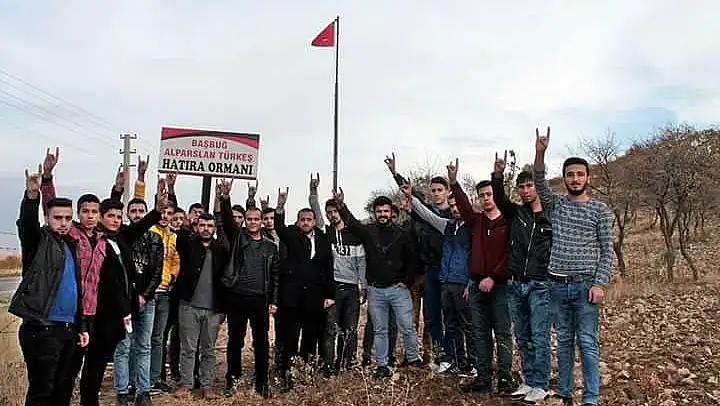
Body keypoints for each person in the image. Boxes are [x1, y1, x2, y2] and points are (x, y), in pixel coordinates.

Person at [534, 127, 613, 406]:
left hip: (585, 287)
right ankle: (564, 393)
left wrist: (599, 283)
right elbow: (539, 182)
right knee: (564, 342)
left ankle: (591, 398)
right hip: (557, 285)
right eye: (570, 174)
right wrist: (540, 153)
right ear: (565, 178)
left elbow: (607, 251)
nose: (575, 179)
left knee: (588, 342)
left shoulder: (600, 210)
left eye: (580, 174)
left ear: (588, 178)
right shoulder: (556, 205)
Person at [11, 163, 90, 406]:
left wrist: (82, 326)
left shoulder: (71, 246)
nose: (63, 223)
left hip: (68, 330)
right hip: (42, 329)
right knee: (42, 392)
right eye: (57, 218)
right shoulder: (38, 241)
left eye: (67, 218)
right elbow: (27, 225)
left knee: (63, 390)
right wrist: (32, 196)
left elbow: (77, 289)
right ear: (47, 218)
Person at [334, 188, 422, 379]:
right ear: (374, 213)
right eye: (379, 211)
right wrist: (341, 205)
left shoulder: (402, 234)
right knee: (380, 330)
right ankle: (382, 365)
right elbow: (352, 224)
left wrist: (406, 282)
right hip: (376, 290)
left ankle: (414, 358)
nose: (382, 214)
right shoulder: (368, 232)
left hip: (398, 290)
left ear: (391, 212)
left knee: (407, 326)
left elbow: (412, 259)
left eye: (385, 211)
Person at [447, 159, 514, 395]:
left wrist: (493, 277)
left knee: (502, 333)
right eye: (482, 195)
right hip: (476, 285)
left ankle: (505, 379)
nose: (485, 198)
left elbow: (510, 255)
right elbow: (464, 206)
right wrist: (454, 182)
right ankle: (483, 378)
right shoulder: (476, 221)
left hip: (500, 286)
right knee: (480, 332)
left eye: (489, 194)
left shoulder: (508, 221)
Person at [491, 151, 553, 404]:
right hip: (516, 284)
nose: (526, 191)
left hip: (540, 285)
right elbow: (499, 198)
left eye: (530, 186)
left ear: (537, 187)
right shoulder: (517, 213)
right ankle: (529, 381)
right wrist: (498, 175)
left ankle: (541, 384)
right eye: (522, 187)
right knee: (523, 336)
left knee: (539, 336)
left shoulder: (552, 214)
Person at [399, 183, 476, 377]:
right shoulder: (447, 225)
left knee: (465, 323)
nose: (455, 209)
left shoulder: (473, 226)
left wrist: (471, 281)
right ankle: (446, 357)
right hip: (441, 276)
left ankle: (472, 362)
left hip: (463, 281)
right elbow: (426, 215)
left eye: (458, 205)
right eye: (453, 206)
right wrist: (411, 196)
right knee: (440, 320)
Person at [385, 153, 450, 364]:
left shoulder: (446, 217)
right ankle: (411, 355)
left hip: (439, 272)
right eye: (433, 191)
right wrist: (395, 174)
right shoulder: (413, 222)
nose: (436, 194)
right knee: (411, 319)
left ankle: (435, 355)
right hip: (417, 276)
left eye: (440, 190)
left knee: (434, 319)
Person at [219, 179, 280, 398]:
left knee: (261, 342)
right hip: (237, 297)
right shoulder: (238, 238)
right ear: (244, 221)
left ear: (262, 222)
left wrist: (273, 301)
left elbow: (275, 276)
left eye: (256, 219)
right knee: (235, 342)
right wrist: (225, 198)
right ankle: (232, 380)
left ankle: (262, 383)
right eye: (249, 219)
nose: (253, 222)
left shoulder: (270, 247)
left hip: (260, 300)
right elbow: (227, 221)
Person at [273, 186, 335, 391]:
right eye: (303, 220)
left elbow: (328, 268)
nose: (306, 222)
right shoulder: (291, 235)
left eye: (309, 219)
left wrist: (329, 295)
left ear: (314, 221)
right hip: (292, 299)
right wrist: (280, 206)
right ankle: (288, 376)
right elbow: (279, 227)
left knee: (310, 338)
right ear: (298, 222)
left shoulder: (323, 239)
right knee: (290, 337)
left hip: (314, 299)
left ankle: (305, 373)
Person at [172, 198, 229, 401]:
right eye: (202, 225)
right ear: (196, 226)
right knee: (188, 348)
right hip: (189, 306)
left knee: (208, 350)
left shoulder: (221, 250)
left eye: (209, 226)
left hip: (213, 309)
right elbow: (180, 238)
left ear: (214, 228)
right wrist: (186, 224)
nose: (205, 229)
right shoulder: (189, 245)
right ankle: (186, 384)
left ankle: (207, 386)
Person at [111, 195, 164, 406]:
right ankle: (123, 391)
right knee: (123, 347)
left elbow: (157, 272)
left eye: (141, 211)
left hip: (147, 301)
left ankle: (144, 391)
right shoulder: (122, 237)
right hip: (124, 303)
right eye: (133, 211)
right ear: (127, 214)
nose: (137, 215)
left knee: (144, 346)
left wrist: (144, 296)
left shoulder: (155, 239)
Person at [322, 197, 367, 374]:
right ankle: (328, 367)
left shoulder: (354, 235)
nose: (333, 215)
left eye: (335, 211)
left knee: (350, 329)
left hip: (351, 288)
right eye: (329, 212)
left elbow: (361, 262)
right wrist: (313, 192)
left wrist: (363, 285)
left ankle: (347, 364)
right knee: (331, 329)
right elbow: (315, 211)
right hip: (332, 287)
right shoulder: (326, 233)